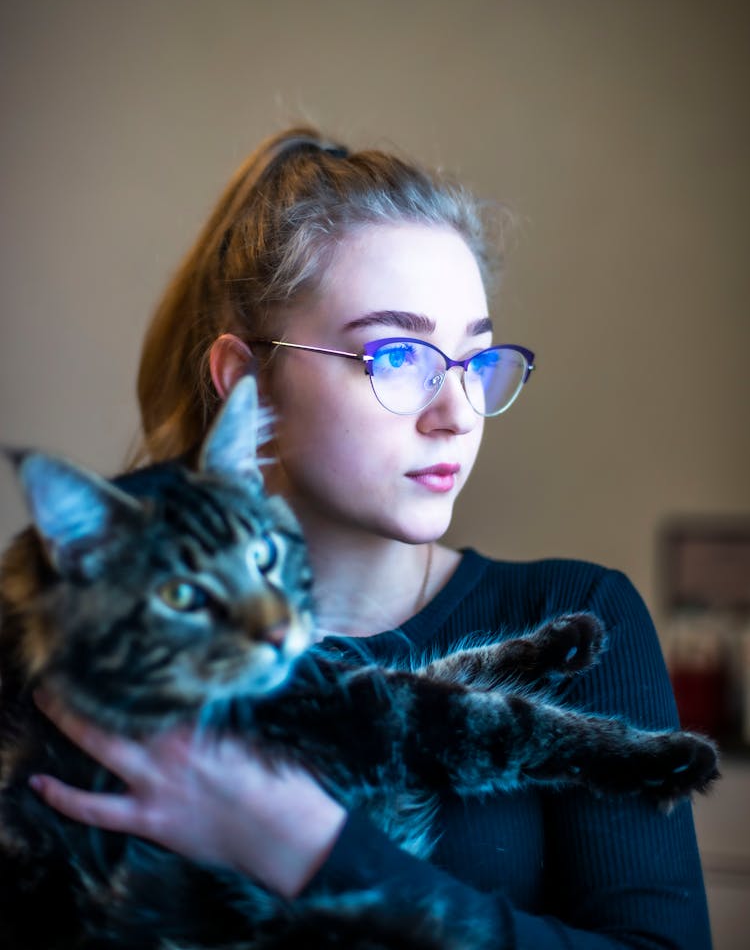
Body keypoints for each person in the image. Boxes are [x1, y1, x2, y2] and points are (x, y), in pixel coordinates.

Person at [30, 126, 713, 947]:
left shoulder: (579, 614)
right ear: (245, 377)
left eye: (476, 360)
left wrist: (315, 850)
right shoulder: (84, 650)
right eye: (397, 356)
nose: (457, 412)